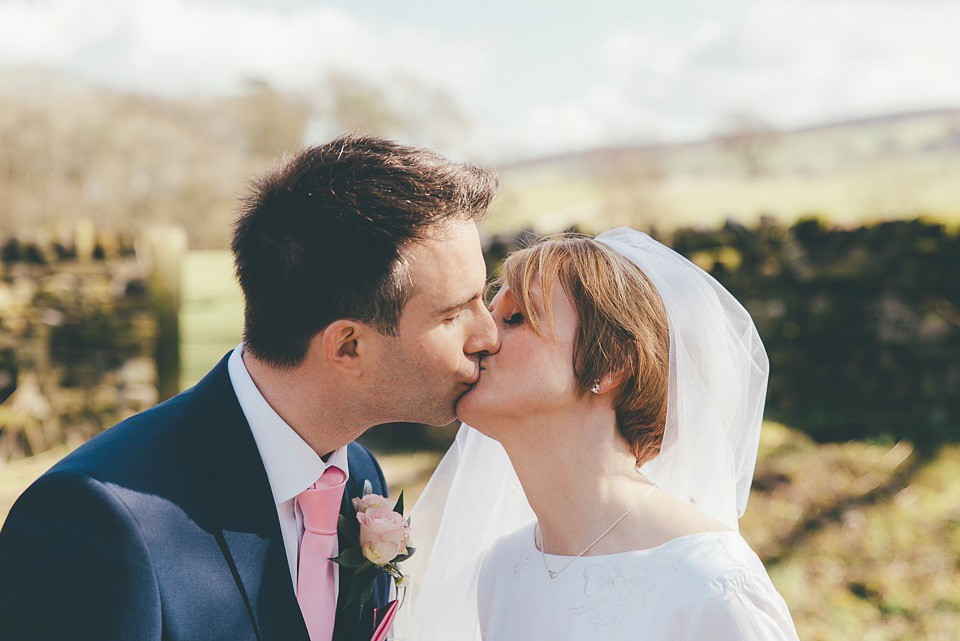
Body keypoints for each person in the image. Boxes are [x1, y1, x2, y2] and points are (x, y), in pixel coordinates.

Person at [0, 135, 500, 641]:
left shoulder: (358, 476)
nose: (488, 335)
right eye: (455, 313)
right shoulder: (96, 522)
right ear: (348, 347)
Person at [396, 228, 800, 640]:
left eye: (516, 317)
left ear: (610, 365)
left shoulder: (713, 586)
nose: (480, 337)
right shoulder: (501, 569)